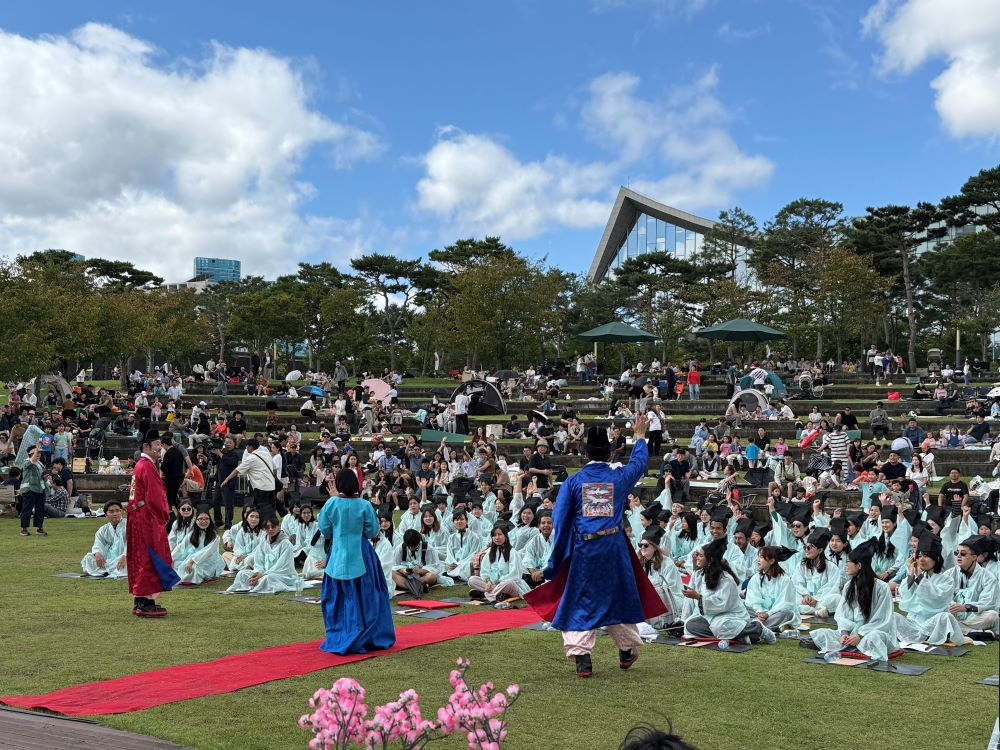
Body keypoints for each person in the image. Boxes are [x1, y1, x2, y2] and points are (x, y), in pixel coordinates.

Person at [534, 414, 662, 678]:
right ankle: (626, 650)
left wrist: (556, 557)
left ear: (584, 452)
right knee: (617, 597)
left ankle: (582, 657)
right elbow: (638, 464)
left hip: (585, 549)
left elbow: (559, 519)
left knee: (580, 599)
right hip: (614, 547)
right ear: (609, 452)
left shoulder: (574, 481)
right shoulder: (618, 478)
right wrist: (639, 436)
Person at [315, 468, 395, 654]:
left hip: (337, 554)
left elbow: (325, 530)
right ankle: (367, 634)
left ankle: (341, 633)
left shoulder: (331, 504)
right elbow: (372, 531)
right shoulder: (364, 505)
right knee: (368, 595)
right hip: (362, 553)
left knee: (337, 597)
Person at [809, 539, 899, 662]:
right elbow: (843, 614)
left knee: (873, 638)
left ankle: (851, 647)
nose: (846, 565)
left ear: (859, 565)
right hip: (853, 632)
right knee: (822, 633)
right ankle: (851, 646)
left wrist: (860, 635)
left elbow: (883, 620)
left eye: (849, 562)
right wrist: (844, 633)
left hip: (874, 632)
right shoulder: (849, 586)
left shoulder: (882, 587)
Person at [127, 430, 180, 617]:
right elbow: (156, 497)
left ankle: (140, 598)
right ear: (146, 447)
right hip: (146, 518)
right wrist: (164, 515)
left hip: (137, 516)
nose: (160, 448)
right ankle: (147, 601)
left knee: (141, 557)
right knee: (150, 558)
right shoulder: (148, 466)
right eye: (157, 444)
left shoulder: (140, 465)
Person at [682, 537, 771, 644]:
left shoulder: (725, 579)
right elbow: (694, 594)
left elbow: (721, 604)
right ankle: (738, 636)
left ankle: (757, 629)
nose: (698, 558)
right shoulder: (699, 573)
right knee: (690, 625)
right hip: (709, 616)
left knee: (720, 626)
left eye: (701, 556)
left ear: (710, 560)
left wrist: (698, 597)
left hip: (729, 616)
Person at [894, 532, 965, 645]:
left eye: (926, 556)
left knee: (945, 617)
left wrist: (919, 578)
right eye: (919, 556)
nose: (921, 559)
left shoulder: (946, 579)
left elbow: (936, 599)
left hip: (933, 622)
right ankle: (920, 636)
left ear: (936, 558)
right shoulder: (916, 575)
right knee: (893, 616)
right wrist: (911, 573)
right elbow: (905, 596)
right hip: (914, 622)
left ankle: (932, 636)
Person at [226, 515, 299, 594]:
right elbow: (258, 561)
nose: (270, 529)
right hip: (263, 573)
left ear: (278, 527)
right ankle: (253, 584)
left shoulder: (285, 543)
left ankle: (256, 584)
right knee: (242, 573)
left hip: (281, 575)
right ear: (264, 529)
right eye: (267, 527)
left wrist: (263, 574)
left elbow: (283, 566)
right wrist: (257, 573)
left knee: (267, 578)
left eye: (273, 526)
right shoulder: (264, 541)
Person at [948, 535, 1000, 637]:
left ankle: (957, 629)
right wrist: (953, 606)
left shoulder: (988, 577)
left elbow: (987, 603)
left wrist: (966, 607)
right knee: (941, 614)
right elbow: (944, 596)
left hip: (974, 617)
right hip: (953, 614)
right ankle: (971, 632)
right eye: (956, 553)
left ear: (974, 557)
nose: (958, 556)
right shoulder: (950, 573)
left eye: (962, 553)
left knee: (992, 616)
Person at [469, 523, 529, 604]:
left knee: (509, 583)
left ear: (505, 536)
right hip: (494, 585)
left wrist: (496, 582)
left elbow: (515, 575)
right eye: (494, 535)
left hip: (509, 585)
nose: (497, 537)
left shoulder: (512, 552)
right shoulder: (490, 551)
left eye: (499, 534)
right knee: (472, 580)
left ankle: (487, 595)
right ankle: (496, 593)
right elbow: (484, 571)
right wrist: (488, 582)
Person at [745, 546, 800, 633]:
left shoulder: (784, 579)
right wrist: (759, 611)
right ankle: (764, 627)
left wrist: (768, 614)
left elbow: (785, 603)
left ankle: (755, 628)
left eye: (762, 557)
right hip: (759, 614)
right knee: (742, 606)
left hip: (774, 614)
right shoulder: (755, 578)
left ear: (772, 561)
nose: (758, 560)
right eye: (758, 556)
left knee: (787, 613)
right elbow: (752, 599)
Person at [173, 506, 225, 585]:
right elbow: (180, 548)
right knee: (175, 564)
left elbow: (206, 552)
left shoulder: (215, 537)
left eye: (206, 519)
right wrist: (170, 558)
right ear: (196, 521)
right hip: (193, 559)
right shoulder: (192, 534)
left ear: (210, 520)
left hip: (209, 561)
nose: (203, 521)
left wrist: (191, 561)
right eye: (200, 519)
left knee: (194, 568)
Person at [81, 499, 127, 578]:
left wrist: (125, 555)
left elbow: (133, 544)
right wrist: (98, 554)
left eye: (118, 511)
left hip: (125, 557)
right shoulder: (103, 529)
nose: (115, 514)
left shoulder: (128, 524)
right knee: (88, 558)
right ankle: (109, 570)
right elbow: (98, 544)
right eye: (111, 512)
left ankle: (107, 570)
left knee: (129, 563)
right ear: (106, 514)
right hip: (109, 560)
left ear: (121, 512)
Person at [18, 444, 47, 537]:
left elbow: (42, 477)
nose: (39, 454)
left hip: (40, 489)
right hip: (29, 489)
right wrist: (36, 451)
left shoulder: (40, 464)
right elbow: (32, 461)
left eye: (40, 452)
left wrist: (46, 477)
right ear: (30, 453)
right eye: (36, 452)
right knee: (27, 509)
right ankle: (23, 529)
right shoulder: (26, 462)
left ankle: (39, 528)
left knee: (40, 510)